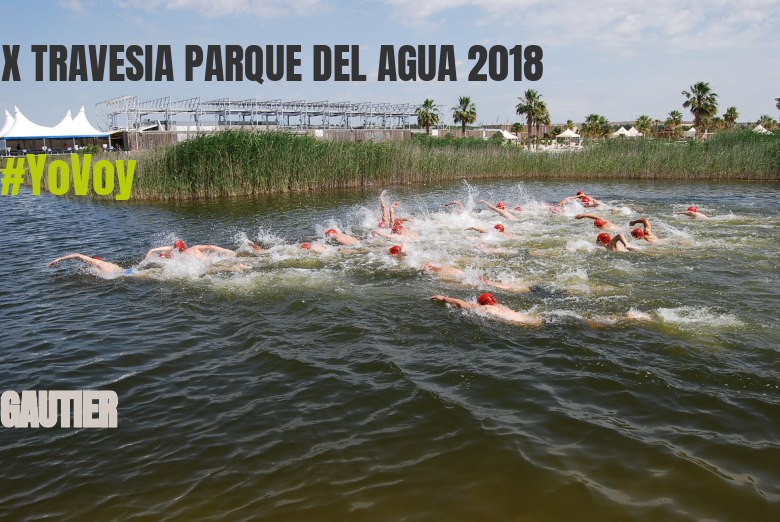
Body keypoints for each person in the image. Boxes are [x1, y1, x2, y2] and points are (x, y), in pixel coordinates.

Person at [430, 293, 543, 326]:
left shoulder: (485, 308)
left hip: (525, 327)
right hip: (536, 321)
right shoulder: (501, 306)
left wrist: (444, 298)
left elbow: (461, 304)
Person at [47, 253, 130, 275]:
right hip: (127, 271)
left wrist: (59, 259)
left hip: (113, 275)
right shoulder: (110, 263)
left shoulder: (95, 262)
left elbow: (77, 255)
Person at [145, 240, 237, 259]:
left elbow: (169, 248)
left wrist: (152, 251)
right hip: (214, 259)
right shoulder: (194, 248)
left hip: (207, 264)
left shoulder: (179, 256)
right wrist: (226, 250)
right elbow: (210, 247)